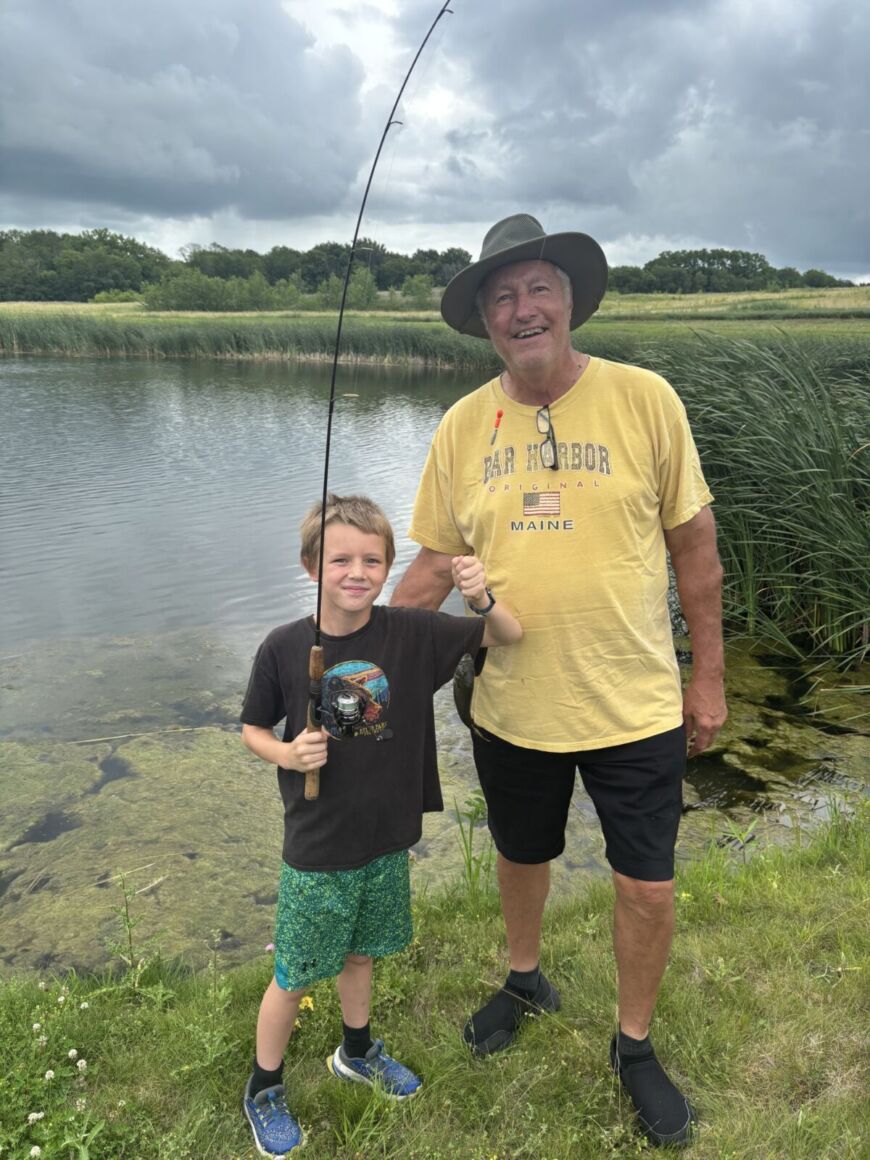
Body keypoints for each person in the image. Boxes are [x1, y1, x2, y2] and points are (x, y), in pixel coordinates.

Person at [391, 215, 727, 1148]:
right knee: (520, 856)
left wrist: (709, 680)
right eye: (501, 297)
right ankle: (525, 977)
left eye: (538, 288)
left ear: (570, 301)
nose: (521, 308)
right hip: (510, 704)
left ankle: (634, 1044)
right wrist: (358, 665)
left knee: (647, 887)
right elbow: (428, 569)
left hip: (635, 703)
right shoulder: (463, 426)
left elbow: (694, 549)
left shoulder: (646, 399)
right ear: (485, 322)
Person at [239, 492, 522, 1157]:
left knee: (363, 953)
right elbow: (252, 727)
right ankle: (264, 1087)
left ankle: (357, 1052)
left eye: (371, 559)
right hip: (317, 844)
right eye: (340, 560)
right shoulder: (284, 647)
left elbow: (510, 635)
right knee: (296, 972)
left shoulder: (414, 633)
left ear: (389, 566)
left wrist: (479, 598)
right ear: (312, 566)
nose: (356, 572)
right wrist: (286, 751)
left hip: (386, 838)